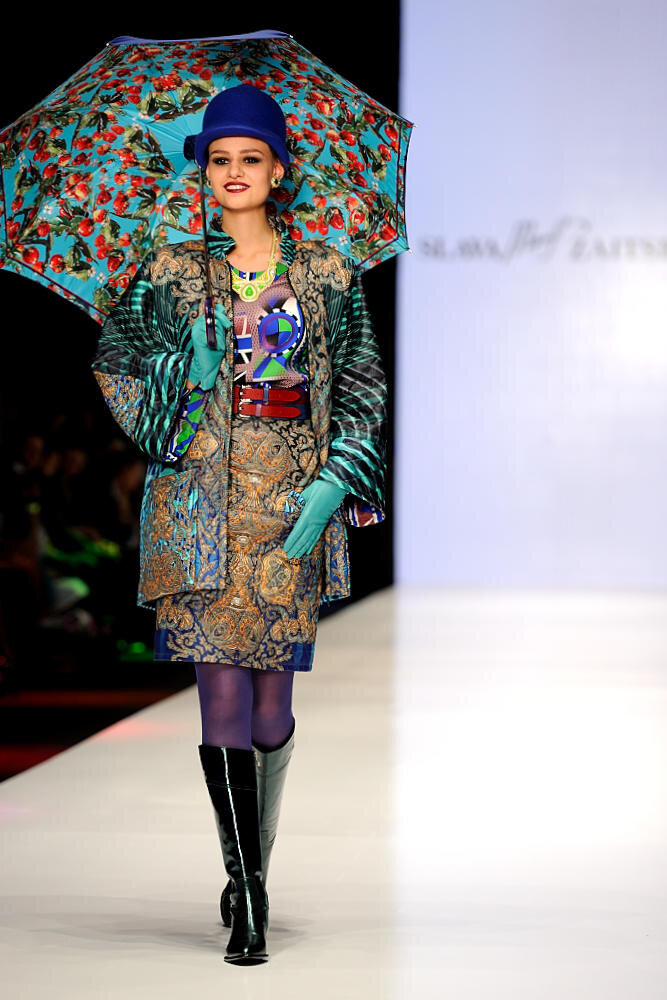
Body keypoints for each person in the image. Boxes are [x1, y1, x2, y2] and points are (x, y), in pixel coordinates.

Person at [90, 84, 387, 965]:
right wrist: (185, 370)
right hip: (201, 504)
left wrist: (335, 482)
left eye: (249, 158)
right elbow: (115, 366)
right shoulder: (170, 270)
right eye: (218, 159)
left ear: (278, 170)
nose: (232, 172)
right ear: (204, 171)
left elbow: (362, 386)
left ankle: (251, 862)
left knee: (272, 705)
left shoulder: (327, 272)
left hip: (290, 501)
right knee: (219, 693)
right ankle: (250, 893)